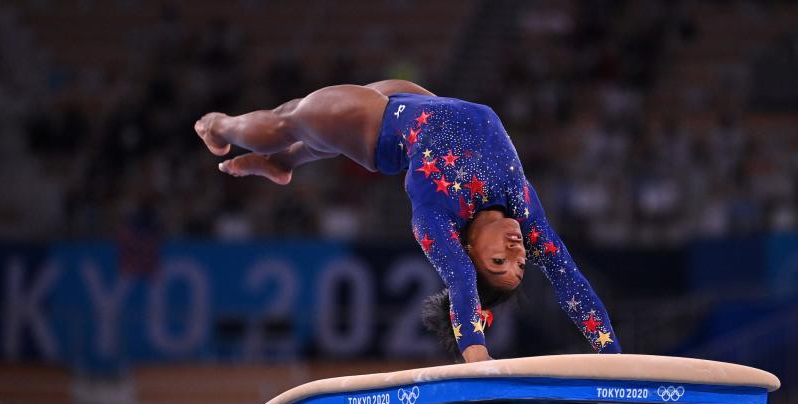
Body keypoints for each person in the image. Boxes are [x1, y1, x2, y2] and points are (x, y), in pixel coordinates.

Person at [195, 80, 621, 362]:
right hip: (419, 103)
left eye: (499, 265)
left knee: (285, 120)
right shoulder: (524, 212)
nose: (516, 253)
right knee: (312, 129)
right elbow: (569, 281)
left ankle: (221, 127)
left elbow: (460, 283)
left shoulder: (437, 218)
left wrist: (475, 352)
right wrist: (613, 358)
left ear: (469, 252)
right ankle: (284, 163)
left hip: (375, 125)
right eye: (520, 264)